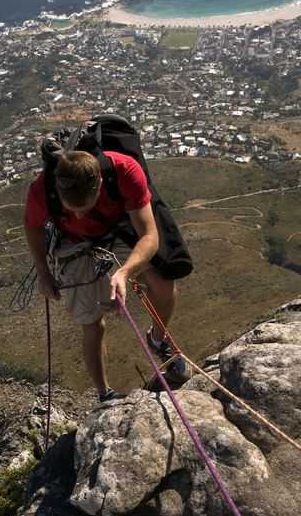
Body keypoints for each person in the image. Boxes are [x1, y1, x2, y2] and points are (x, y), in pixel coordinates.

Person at [24, 147, 189, 402]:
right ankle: (104, 393)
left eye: (85, 207)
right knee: (91, 322)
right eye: (71, 209)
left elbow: (149, 236)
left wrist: (124, 273)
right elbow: (33, 227)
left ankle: (158, 339)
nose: (79, 215)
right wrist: (43, 272)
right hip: (74, 241)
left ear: (100, 182)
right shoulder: (42, 189)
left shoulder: (124, 171)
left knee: (163, 284)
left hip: (118, 229)